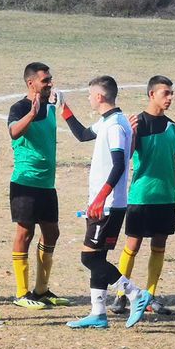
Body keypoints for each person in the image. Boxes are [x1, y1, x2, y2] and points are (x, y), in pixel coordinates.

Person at [60, 76, 142, 329]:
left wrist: (101, 197)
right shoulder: (107, 121)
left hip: (107, 205)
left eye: (89, 95)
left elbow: (119, 165)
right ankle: (98, 313)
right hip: (103, 203)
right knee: (98, 257)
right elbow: (83, 135)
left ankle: (135, 294)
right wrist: (64, 109)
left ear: (99, 96)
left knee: (89, 259)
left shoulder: (115, 125)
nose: (88, 99)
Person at [112, 75, 175, 327]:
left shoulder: (171, 126)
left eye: (171, 93)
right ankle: (121, 293)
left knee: (159, 245)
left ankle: (150, 295)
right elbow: (126, 157)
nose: (170, 98)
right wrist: (132, 135)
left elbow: (173, 162)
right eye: (166, 93)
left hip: (165, 197)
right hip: (141, 196)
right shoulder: (137, 123)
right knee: (132, 245)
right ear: (152, 94)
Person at [8, 62, 68, 309]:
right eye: (45, 80)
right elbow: (13, 132)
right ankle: (22, 293)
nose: (50, 84)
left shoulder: (50, 106)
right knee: (25, 233)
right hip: (25, 182)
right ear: (31, 83)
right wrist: (31, 114)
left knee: (52, 232)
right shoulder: (20, 107)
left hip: (46, 184)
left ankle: (41, 290)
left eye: (50, 79)